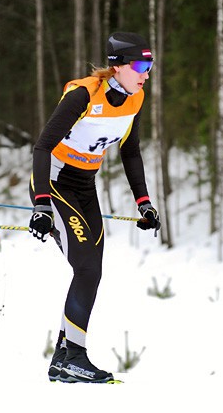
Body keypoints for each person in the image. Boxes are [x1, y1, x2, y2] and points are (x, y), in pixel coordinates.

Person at [28, 31, 161, 383]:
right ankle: (74, 356)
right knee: (86, 267)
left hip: (85, 188)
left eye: (150, 66)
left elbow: (130, 152)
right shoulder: (84, 95)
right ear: (118, 67)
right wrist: (41, 206)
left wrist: (144, 203)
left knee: (92, 270)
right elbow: (42, 147)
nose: (146, 74)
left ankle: (62, 358)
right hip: (54, 184)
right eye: (141, 66)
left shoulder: (135, 99)